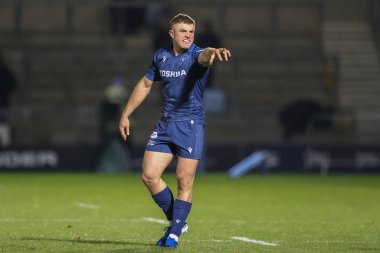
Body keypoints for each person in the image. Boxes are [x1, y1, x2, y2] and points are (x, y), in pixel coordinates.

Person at [119, 13, 231, 248]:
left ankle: (173, 235)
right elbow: (146, 84)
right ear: (172, 34)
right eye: (183, 31)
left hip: (190, 125)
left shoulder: (195, 55)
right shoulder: (161, 56)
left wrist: (212, 51)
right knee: (149, 176)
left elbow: (205, 56)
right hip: (166, 124)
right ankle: (178, 222)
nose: (188, 36)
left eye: (191, 32)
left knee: (184, 180)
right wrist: (126, 114)